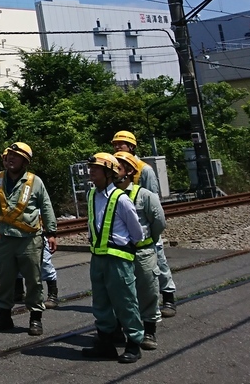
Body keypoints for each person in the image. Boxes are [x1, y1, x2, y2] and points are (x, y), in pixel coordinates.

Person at [0, 142, 57, 336]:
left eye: (17, 156)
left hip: (30, 239)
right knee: (5, 280)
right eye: (9, 155)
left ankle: (35, 318)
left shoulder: (35, 181)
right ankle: (4, 317)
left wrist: (52, 233)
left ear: (25, 161)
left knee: (33, 280)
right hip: (5, 238)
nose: (11, 159)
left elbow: (46, 206)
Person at [80, 153, 145, 364]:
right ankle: (105, 344)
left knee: (126, 302)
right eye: (91, 168)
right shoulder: (91, 195)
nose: (92, 172)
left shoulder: (122, 199)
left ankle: (134, 345)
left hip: (118, 258)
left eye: (96, 168)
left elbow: (137, 234)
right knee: (100, 303)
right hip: (98, 258)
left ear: (109, 173)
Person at [111, 130, 176, 317]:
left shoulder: (144, 169)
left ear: (132, 146)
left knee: (159, 261)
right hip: (125, 226)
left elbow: (153, 202)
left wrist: (153, 231)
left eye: (121, 144)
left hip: (144, 223)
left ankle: (168, 296)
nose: (116, 147)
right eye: (115, 144)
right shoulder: (115, 167)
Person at [116, 150, 167, 351]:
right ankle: (121, 329)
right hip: (119, 253)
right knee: (121, 294)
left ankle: (150, 330)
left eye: (118, 168)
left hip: (143, 252)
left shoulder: (144, 196)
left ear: (129, 171)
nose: (113, 172)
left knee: (147, 291)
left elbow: (159, 222)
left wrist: (149, 242)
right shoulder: (110, 194)